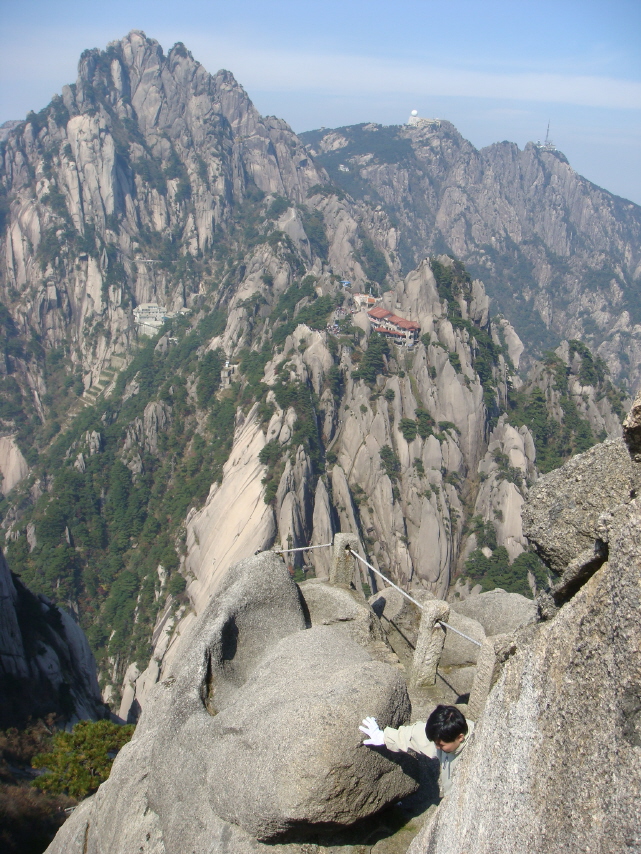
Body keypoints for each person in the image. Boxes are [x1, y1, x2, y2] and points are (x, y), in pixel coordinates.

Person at [359, 704, 474, 796]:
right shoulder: (448, 734)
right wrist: (384, 736)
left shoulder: (474, 754)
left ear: (460, 737)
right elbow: (415, 734)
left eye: (441, 745)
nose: (437, 747)